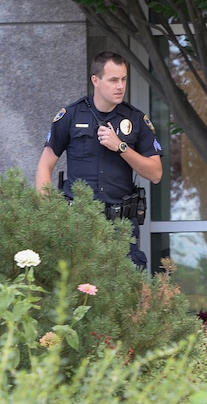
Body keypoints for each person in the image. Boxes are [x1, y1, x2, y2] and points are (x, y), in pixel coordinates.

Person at [35, 51, 163, 269]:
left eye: (123, 79)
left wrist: (121, 147)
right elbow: (44, 166)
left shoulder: (136, 120)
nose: (120, 86)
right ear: (96, 80)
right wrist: (50, 215)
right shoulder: (71, 116)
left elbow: (156, 174)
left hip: (121, 226)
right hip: (78, 222)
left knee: (122, 294)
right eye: (113, 80)